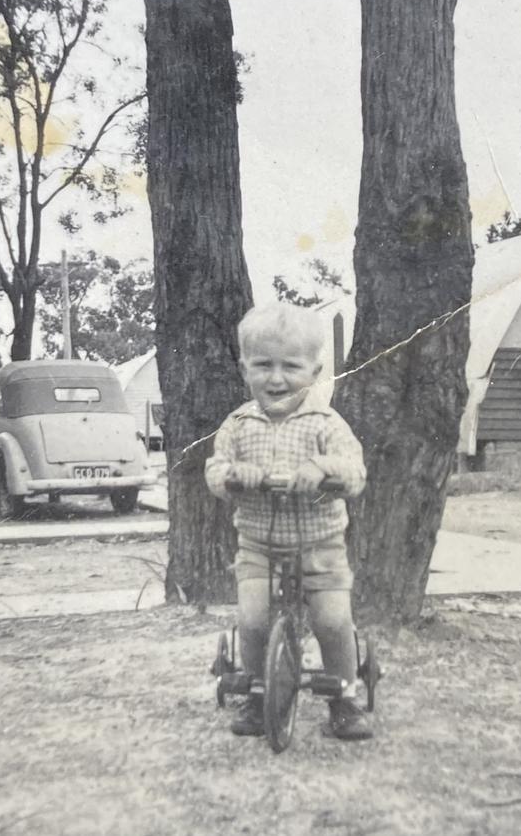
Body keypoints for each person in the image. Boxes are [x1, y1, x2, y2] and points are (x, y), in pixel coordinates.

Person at [205, 302, 372, 741]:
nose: (276, 379)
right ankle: (259, 694)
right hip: (259, 543)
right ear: (244, 368)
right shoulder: (238, 424)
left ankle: (344, 696)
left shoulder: (326, 423)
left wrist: (323, 469)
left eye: (290, 367)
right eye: (263, 365)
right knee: (253, 618)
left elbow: (355, 473)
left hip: (320, 543)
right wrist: (235, 476)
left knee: (332, 620)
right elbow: (215, 472)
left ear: (314, 371)